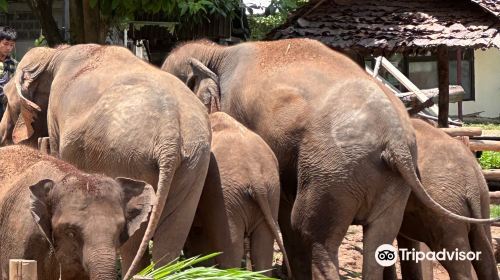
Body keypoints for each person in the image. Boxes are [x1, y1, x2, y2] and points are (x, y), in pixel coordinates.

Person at [0, 26, 16, 119]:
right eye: (5, 44)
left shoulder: (14, 64)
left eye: (11, 45)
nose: (9, 48)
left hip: (6, 107)